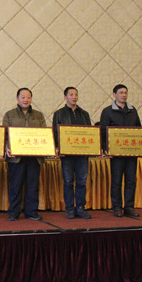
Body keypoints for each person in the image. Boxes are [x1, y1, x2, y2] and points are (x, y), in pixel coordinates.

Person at [2, 88, 46, 221]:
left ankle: (31, 211)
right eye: (23, 97)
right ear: (17, 99)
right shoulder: (9, 115)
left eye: (28, 97)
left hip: (34, 157)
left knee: (33, 185)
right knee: (15, 185)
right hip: (16, 157)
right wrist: (7, 148)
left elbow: (45, 134)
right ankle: (13, 212)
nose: (26, 100)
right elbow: (4, 135)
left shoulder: (39, 115)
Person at [100, 84, 142, 218]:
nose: (124, 95)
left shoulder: (132, 110)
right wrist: (105, 148)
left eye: (125, 92)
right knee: (116, 181)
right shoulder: (107, 111)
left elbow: (139, 129)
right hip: (116, 154)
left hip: (131, 152)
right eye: (121, 92)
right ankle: (117, 207)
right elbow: (102, 132)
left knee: (131, 181)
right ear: (114, 95)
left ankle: (129, 207)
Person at [52, 87, 92, 220]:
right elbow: (55, 132)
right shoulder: (59, 113)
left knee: (81, 182)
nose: (74, 97)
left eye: (76, 94)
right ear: (65, 97)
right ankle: (69, 208)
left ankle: (80, 208)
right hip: (66, 154)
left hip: (82, 154)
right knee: (68, 181)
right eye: (71, 94)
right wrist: (57, 147)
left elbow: (90, 133)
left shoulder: (84, 114)